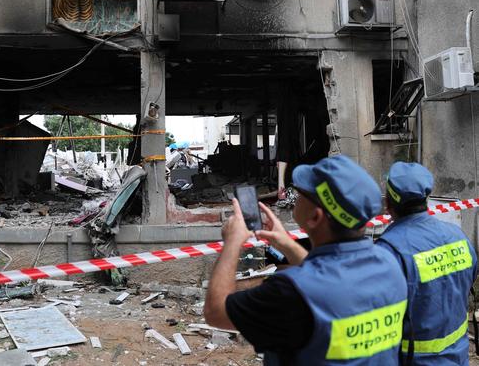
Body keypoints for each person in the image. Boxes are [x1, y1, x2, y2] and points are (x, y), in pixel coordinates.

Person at [204, 155, 408, 365]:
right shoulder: (390, 262)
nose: (295, 196)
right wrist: (287, 244)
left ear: (315, 217)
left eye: (301, 193)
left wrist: (232, 242)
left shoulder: (291, 292)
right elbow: (326, 279)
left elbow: (216, 312)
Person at [376, 162, 477, 365]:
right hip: (458, 357)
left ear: (388, 203)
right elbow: (469, 279)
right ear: (426, 199)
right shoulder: (457, 235)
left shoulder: (388, 252)